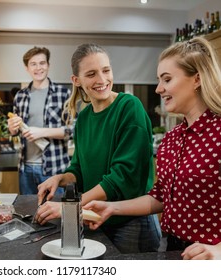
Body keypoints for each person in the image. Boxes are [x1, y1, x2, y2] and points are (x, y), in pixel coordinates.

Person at [83, 36, 221, 260]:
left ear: (196, 79)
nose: (158, 89)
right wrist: (110, 207)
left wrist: (219, 249)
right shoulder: (172, 139)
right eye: (158, 80)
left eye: (166, 79)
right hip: (171, 248)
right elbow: (160, 197)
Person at [34, 43, 161, 254]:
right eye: (91, 74)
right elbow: (79, 170)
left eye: (106, 70)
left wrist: (70, 209)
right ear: (77, 81)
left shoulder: (129, 107)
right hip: (95, 219)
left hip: (131, 225)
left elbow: (122, 177)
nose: (102, 80)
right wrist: (59, 178)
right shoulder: (83, 118)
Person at [8, 46, 74, 195]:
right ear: (27, 68)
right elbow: (15, 131)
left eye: (42, 63)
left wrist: (41, 132)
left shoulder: (63, 93)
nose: (38, 68)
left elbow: (73, 130)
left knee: (56, 215)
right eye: (33, 64)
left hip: (54, 169)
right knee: (28, 215)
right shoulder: (20, 96)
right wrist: (12, 128)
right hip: (26, 169)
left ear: (48, 65)